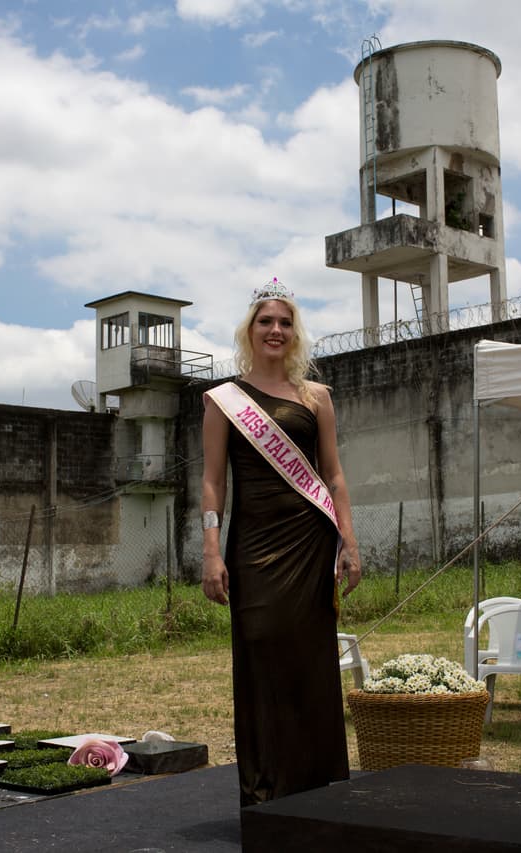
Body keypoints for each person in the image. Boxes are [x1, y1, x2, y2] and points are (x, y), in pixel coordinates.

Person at [200, 278, 360, 805]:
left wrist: (349, 544)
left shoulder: (317, 398)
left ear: (296, 333)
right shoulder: (225, 400)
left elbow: (333, 476)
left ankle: (316, 785)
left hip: (311, 544)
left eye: (285, 322)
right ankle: (267, 790)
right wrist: (210, 551)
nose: (276, 330)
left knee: (310, 663)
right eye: (266, 321)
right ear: (250, 330)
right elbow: (213, 482)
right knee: (262, 655)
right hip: (253, 546)